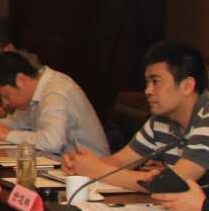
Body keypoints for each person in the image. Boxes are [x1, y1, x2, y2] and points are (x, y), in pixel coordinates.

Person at [63, 41, 209, 192]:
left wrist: (97, 170)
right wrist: (79, 164)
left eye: (156, 82)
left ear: (187, 86)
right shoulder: (160, 119)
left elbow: (170, 184)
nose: (147, 90)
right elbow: (120, 162)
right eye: (147, 82)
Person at [0, 52, 108, 157]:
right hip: (62, 165)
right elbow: (18, 123)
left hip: (91, 175)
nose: (5, 103)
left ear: (21, 80)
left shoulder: (55, 92)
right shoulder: (34, 90)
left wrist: (8, 134)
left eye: (5, 95)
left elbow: (52, 141)